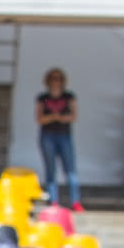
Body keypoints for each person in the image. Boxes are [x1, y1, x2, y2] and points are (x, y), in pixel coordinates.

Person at [36, 68, 81, 211]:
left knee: (70, 170)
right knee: (50, 170)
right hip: (47, 136)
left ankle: (75, 201)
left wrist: (56, 117)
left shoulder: (69, 96)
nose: (56, 81)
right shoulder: (42, 97)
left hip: (64, 136)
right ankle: (53, 201)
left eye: (59, 78)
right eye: (54, 78)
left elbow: (73, 116)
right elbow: (39, 119)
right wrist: (55, 117)